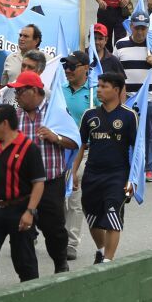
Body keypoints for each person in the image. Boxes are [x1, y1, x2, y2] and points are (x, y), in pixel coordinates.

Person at [0, 104, 45, 290]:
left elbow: (38, 183)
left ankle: (31, 293)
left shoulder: (29, 148)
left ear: (4, 123)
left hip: (19, 211)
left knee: (23, 259)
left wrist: (30, 212)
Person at [9, 71, 77, 274]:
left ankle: (60, 263)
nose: (17, 95)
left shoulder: (55, 112)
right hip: (23, 184)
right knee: (23, 231)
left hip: (49, 181)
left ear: (34, 91)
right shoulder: (15, 116)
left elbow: (75, 141)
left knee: (53, 228)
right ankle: (30, 277)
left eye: (21, 91)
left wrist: (56, 137)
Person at [72, 73, 137, 263]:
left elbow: (137, 150)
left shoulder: (129, 116)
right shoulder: (89, 115)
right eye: (98, 86)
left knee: (112, 215)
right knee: (91, 215)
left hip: (117, 175)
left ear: (116, 90)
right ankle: (101, 250)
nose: (99, 90)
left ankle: (108, 262)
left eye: (104, 86)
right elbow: (80, 145)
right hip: (92, 173)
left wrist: (133, 180)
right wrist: (73, 172)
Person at [114, 12, 152, 181]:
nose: (140, 32)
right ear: (131, 27)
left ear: (148, 28)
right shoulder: (120, 44)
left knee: (148, 134)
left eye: (143, 28)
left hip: (149, 98)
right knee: (125, 134)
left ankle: (148, 168)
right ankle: (128, 166)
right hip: (127, 98)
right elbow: (115, 70)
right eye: (137, 28)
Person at [61, 50, 93, 260]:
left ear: (85, 68)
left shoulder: (94, 94)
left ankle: (71, 242)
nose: (68, 70)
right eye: (66, 67)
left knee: (74, 197)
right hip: (58, 151)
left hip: (83, 152)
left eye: (73, 67)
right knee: (57, 199)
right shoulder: (57, 90)